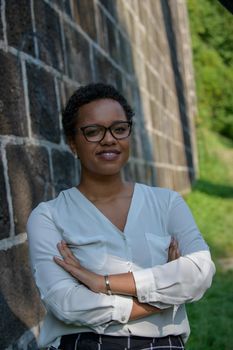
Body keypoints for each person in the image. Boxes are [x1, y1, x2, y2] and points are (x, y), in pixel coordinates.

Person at [27, 83, 215, 350]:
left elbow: (200, 271)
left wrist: (103, 282)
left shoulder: (167, 203)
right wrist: (166, 293)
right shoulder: (49, 217)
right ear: (72, 143)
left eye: (119, 129)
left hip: (163, 344)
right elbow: (66, 303)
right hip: (86, 344)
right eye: (93, 132)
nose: (109, 139)